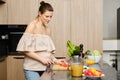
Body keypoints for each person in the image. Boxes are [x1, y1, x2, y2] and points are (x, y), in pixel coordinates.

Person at [16, 1, 66, 80]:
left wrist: (56, 60)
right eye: (46, 16)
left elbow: (47, 52)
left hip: (46, 69)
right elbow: (25, 50)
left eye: (51, 17)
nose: (49, 19)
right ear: (40, 13)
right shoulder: (32, 25)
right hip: (32, 69)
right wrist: (42, 59)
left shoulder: (48, 29)